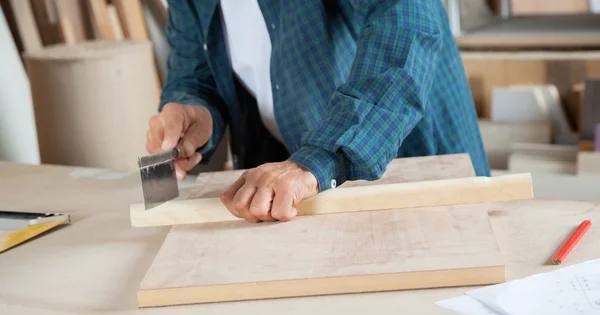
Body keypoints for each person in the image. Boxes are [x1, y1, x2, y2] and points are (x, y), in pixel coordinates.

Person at [145, 0, 490, 223]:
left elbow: (404, 19)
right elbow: (195, 73)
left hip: (412, 157)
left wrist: (324, 155)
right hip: (304, 171)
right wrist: (195, 110)